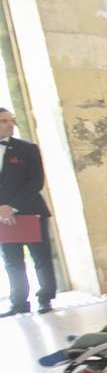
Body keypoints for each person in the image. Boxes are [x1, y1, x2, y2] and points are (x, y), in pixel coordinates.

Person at [0, 107, 58, 316]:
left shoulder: (28, 149)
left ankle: (45, 298)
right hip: (2, 217)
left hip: (30, 211)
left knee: (41, 257)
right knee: (12, 260)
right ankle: (18, 302)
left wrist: (12, 206)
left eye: (11, 120)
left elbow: (36, 182)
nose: (10, 124)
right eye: (4, 121)